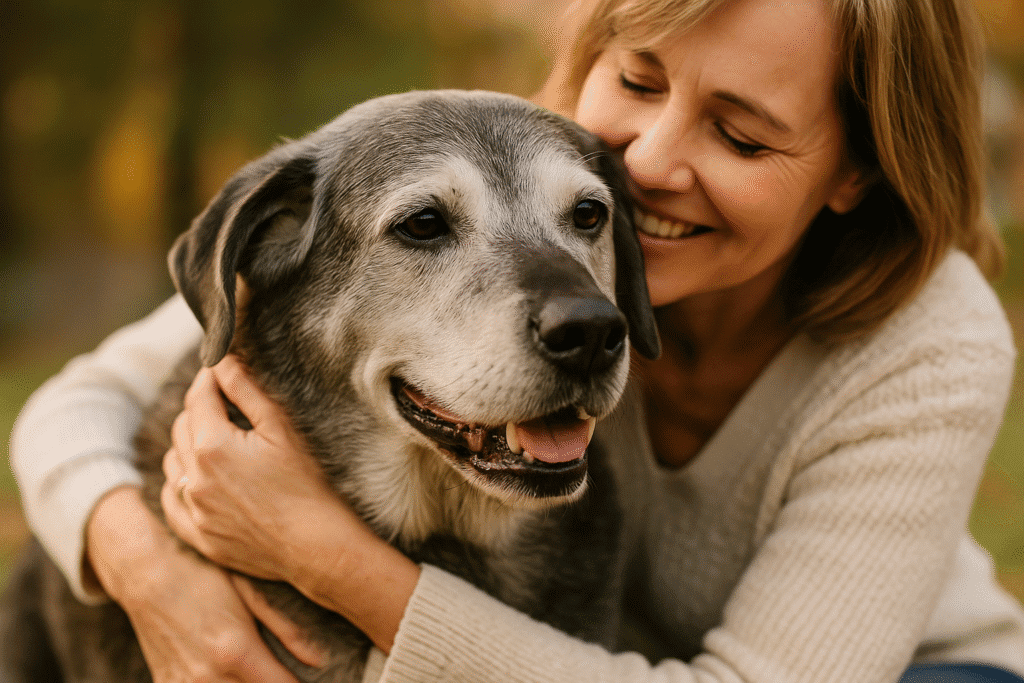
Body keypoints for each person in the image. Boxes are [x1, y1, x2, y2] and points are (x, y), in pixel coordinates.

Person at [10, 0, 1024, 681]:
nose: (644, 166)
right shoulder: (519, 160)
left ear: (859, 170)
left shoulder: (932, 343)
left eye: (742, 135)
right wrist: (145, 560)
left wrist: (321, 556)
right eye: (636, 79)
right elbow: (76, 401)